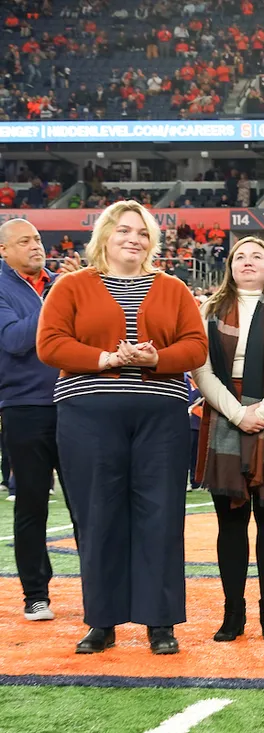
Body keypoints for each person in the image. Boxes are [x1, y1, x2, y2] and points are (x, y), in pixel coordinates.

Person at [37, 200, 207, 655]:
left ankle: (160, 621)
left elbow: (195, 347)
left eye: (143, 233)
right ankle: (102, 620)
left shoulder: (173, 288)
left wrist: (158, 359)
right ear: (105, 236)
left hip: (161, 416)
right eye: (124, 230)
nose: (134, 239)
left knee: (162, 514)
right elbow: (49, 343)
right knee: (98, 515)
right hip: (88, 413)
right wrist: (103, 360)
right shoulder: (71, 286)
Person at [192, 236, 264, 643]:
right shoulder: (209, 309)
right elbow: (200, 371)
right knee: (231, 521)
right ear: (230, 266)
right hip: (225, 414)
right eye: (240, 256)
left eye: (257, 255)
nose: (247, 261)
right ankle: (232, 613)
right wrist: (238, 412)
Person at [0, 218, 79, 622]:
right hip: (25, 405)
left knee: (86, 501)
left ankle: (101, 588)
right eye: (25, 241)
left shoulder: (57, 281)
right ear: (4, 250)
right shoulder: (5, 287)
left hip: (76, 401)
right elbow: (13, 340)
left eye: (38, 239)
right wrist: (57, 299)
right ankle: (35, 594)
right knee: (32, 501)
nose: (36, 246)